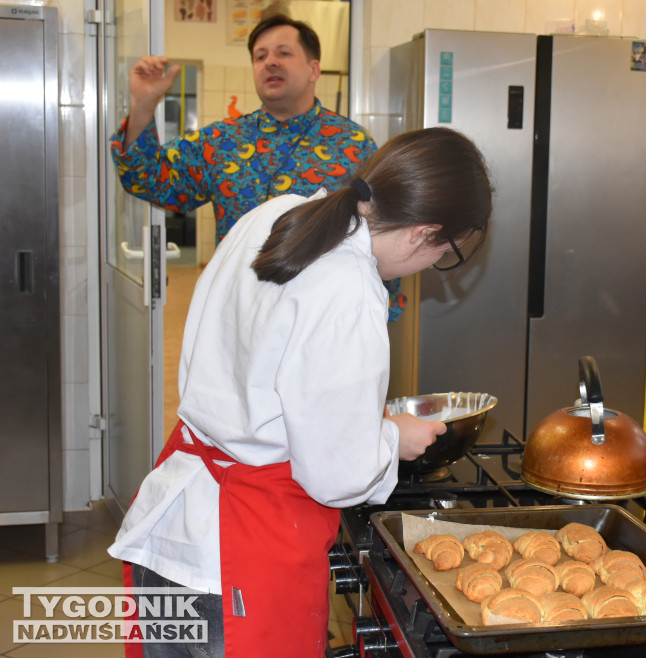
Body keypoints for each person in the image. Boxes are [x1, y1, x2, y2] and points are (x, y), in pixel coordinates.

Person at [107, 126, 493, 657]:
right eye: (445, 253)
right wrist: (390, 438)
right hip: (242, 554)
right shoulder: (351, 289)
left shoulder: (278, 213)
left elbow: (263, 368)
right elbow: (336, 476)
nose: (434, 267)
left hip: (174, 521)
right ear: (422, 232)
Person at [110, 14, 407, 320]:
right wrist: (143, 105)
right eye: (260, 56)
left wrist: (377, 307)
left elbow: (379, 230)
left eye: (284, 52)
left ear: (313, 69)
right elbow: (147, 179)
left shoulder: (353, 144)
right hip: (237, 314)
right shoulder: (221, 141)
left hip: (320, 318)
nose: (270, 62)